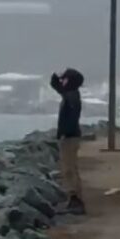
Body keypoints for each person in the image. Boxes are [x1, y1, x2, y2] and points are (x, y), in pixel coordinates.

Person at [50, 68, 85, 213]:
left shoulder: (71, 97)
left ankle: (75, 200)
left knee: (69, 168)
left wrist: (64, 133)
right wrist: (56, 78)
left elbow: (71, 119)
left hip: (69, 137)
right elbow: (57, 86)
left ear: (70, 81)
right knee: (71, 167)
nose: (62, 81)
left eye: (64, 78)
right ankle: (74, 198)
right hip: (71, 136)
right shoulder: (72, 94)